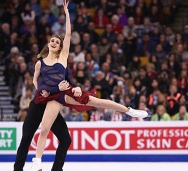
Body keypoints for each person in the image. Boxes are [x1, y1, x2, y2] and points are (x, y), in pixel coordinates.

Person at [30, 1, 148, 171]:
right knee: (44, 129)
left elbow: (68, 35)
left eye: (57, 41)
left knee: (98, 102)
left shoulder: (62, 57)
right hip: (52, 96)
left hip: (67, 91)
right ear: (48, 44)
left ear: (60, 46)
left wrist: (67, 14)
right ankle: (37, 162)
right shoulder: (40, 62)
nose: (54, 42)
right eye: (52, 40)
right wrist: (42, 90)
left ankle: (130, 111)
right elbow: (35, 80)